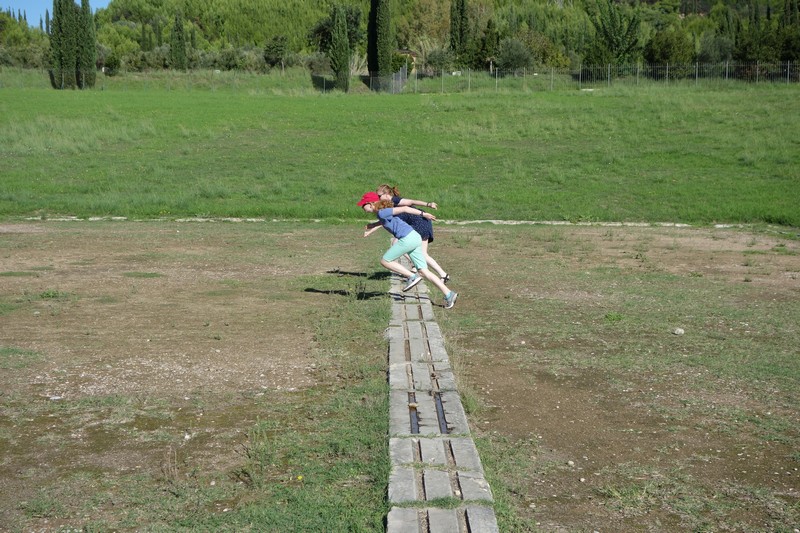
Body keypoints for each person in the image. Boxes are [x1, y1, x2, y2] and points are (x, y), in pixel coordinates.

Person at [357, 192, 457, 309]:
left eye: (363, 205)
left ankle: (412, 277)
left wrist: (423, 214)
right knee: (424, 271)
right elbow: (384, 220)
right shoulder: (382, 213)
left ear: (370, 203)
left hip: (408, 238)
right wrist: (372, 226)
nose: (362, 207)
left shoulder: (382, 212)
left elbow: (405, 208)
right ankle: (449, 294)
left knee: (385, 261)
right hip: (414, 237)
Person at [375, 184, 449, 283]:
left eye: (379, 196)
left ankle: (415, 267)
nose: (378, 198)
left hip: (420, 222)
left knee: (397, 243)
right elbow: (385, 220)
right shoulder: (388, 204)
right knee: (423, 254)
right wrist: (372, 227)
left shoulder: (395, 200)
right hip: (420, 223)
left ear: (386, 194)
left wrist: (428, 204)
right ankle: (443, 274)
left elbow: (411, 202)